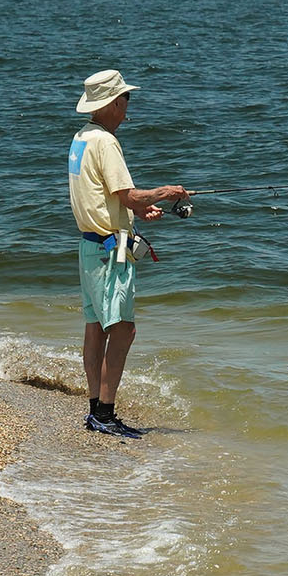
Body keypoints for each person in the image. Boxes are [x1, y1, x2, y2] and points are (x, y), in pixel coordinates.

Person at [68, 69, 188, 439]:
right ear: (112, 104)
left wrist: (135, 212)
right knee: (123, 330)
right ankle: (104, 414)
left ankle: (95, 410)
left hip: (89, 248)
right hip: (109, 254)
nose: (127, 106)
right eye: (125, 99)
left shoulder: (81, 138)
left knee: (95, 328)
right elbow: (130, 194)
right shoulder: (106, 142)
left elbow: (105, 196)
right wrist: (166, 192)